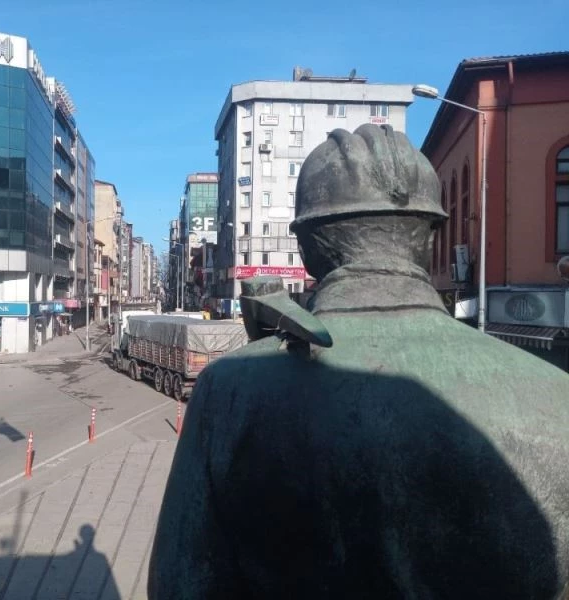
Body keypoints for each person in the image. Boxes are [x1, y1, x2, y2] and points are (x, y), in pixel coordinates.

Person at [148, 124, 569, 599]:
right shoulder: (557, 394)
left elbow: (179, 587)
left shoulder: (228, 393)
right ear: (430, 236)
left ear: (306, 248)